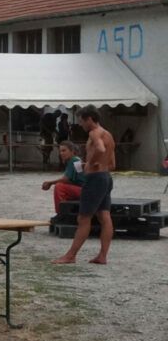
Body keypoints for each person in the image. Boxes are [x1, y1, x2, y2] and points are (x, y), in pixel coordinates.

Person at [53, 106, 115, 265]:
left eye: (81, 121)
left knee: (83, 218)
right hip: (106, 177)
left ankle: (71, 255)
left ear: (89, 119)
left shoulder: (94, 133)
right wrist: (95, 163)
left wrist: (90, 163)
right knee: (104, 216)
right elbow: (112, 163)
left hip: (95, 179)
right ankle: (102, 256)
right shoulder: (108, 134)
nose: (80, 125)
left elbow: (100, 149)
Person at [41, 141, 85, 217]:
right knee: (62, 186)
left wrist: (50, 183)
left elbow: (66, 179)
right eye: (60, 151)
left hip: (84, 191)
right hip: (83, 190)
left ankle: (60, 214)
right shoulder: (76, 160)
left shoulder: (74, 160)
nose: (61, 153)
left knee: (59, 187)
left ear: (72, 151)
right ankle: (65, 213)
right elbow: (72, 180)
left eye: (64, 150)